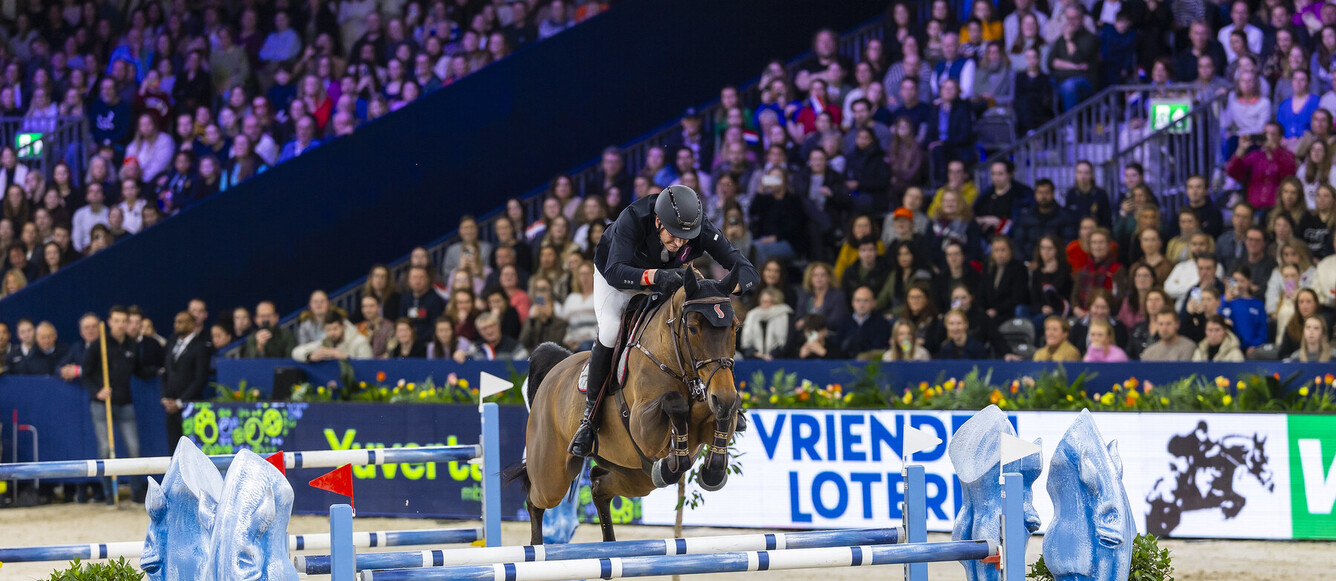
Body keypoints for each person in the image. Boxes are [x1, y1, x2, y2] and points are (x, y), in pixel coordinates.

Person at [570, 184, 758, 458]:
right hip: (619, 277)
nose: (679, 243)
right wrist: (656, 276)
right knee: (610, 329)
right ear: (658, 221)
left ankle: (722, 398)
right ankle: (590, 418)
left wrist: (723, 288)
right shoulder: (633, 218)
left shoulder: (700, 228)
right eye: (673, 235)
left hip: (668, 275)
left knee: (701, 320)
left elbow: (749, 271)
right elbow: (614, 272)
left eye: (685, 238)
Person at [83, 306, 146, 502]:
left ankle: (136, 492)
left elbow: (140, 371)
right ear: (110, 322)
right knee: (105, 449)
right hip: (101, 404)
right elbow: (86, 374)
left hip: (125, 402)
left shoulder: (132, 345)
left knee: (134, 449)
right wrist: (98, 391)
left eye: (124, 321)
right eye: (116, 321)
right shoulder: (98, 345)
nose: (120, 325)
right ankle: (109, 493)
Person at [161, 311, 211, 454]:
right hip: (170, 407)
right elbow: (166, 372)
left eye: (181, 322)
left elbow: (200, 378)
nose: (176, 325)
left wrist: (180, 402)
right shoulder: (172, 343)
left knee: (191, 450)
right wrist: (165, 397)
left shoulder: (200, 347)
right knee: (173, 447)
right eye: (176, 321)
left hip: (190, 406)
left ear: (191, 324)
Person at [1221, 266, 1269, 351]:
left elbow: (1262, 331)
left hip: (1253, 349)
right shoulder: (1225, 300)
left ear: (1249, 282)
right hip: (1230, 348)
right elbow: (1218, 320)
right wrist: (1226, 301)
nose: (1239, 285)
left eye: (1242, 281)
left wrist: (1254, 346)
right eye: (1235, 281)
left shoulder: (1258, 304)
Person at [292, 311, 372, 361]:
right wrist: (310, 356)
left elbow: (368, 366)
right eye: (328, 330)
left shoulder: (360, 341)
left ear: (343, 326)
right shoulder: (325, 342)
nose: (332, 333)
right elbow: (296, 352)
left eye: (335, 328)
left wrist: (346, 358)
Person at [741, 288, 792, 361]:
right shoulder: (752, 315)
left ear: (777, 302)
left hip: (778, 360)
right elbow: (745, 345)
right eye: (763, 301)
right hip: (755, 360)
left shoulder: (784, 315)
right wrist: (755, 353)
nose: (765, 305)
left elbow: (787, 343)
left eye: (769, 302)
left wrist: (772, 355)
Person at [838, 286, 891, 356]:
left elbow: (879, 349)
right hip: (845, 361)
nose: (861, 304)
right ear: (852, 303)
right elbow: (838, 346)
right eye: (858, 300)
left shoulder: (882, 323)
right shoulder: (844, 321)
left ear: (873, 303)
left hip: (870, 361)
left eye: (866, 300)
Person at [398, 265, 446, 340]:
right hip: (407, 340)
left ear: (428, 279)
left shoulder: (435, 300)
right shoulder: (405, 298)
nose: (417, 281)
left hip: (427, 341)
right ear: (409, 280)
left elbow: (435, 326)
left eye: (421, 277)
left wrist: (417, 340)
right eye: (414, 278)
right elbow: (401, 320)